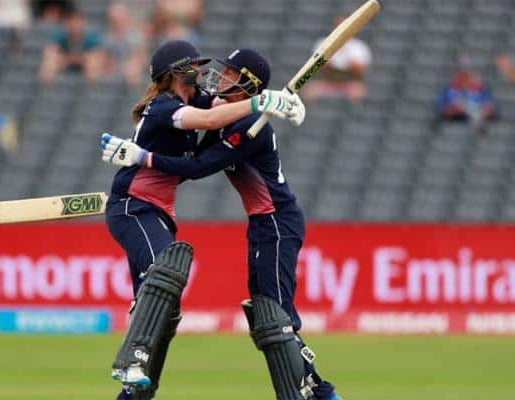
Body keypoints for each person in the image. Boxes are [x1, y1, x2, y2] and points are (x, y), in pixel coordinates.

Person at [102, 48, 341, 400]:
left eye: (230, 74)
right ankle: (133, 373)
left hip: (277, 223)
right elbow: (197, 154)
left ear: (248, 82)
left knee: (275, 318)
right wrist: (263, 102)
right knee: (262, 318)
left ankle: (318, 392)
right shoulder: (203, 111)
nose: (216, 77)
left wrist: (142, 158)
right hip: (254, 223)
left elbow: (197, 164)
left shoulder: (249, 127)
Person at [301, 15, 372, 103]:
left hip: (347, 84)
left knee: (358, 92)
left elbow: (360, 71)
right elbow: (317, 68)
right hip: (327, 82)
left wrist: (337, 64)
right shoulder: (322, 44)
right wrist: (346, 65)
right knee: (309, 91)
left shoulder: (359, 47)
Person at [38, 8, 104, 83]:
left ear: (83, 23)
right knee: (48, 64)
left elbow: (98, 56)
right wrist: (71, 59)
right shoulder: (59, 35)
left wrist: (76, 59)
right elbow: (49, 53)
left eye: (78, 22)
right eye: (72, 21)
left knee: (93, 64)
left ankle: (91, 93)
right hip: (64, 64)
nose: (75, 25)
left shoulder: (91, 37)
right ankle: (47, 92)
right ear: (67, 23)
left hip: (83, 65)